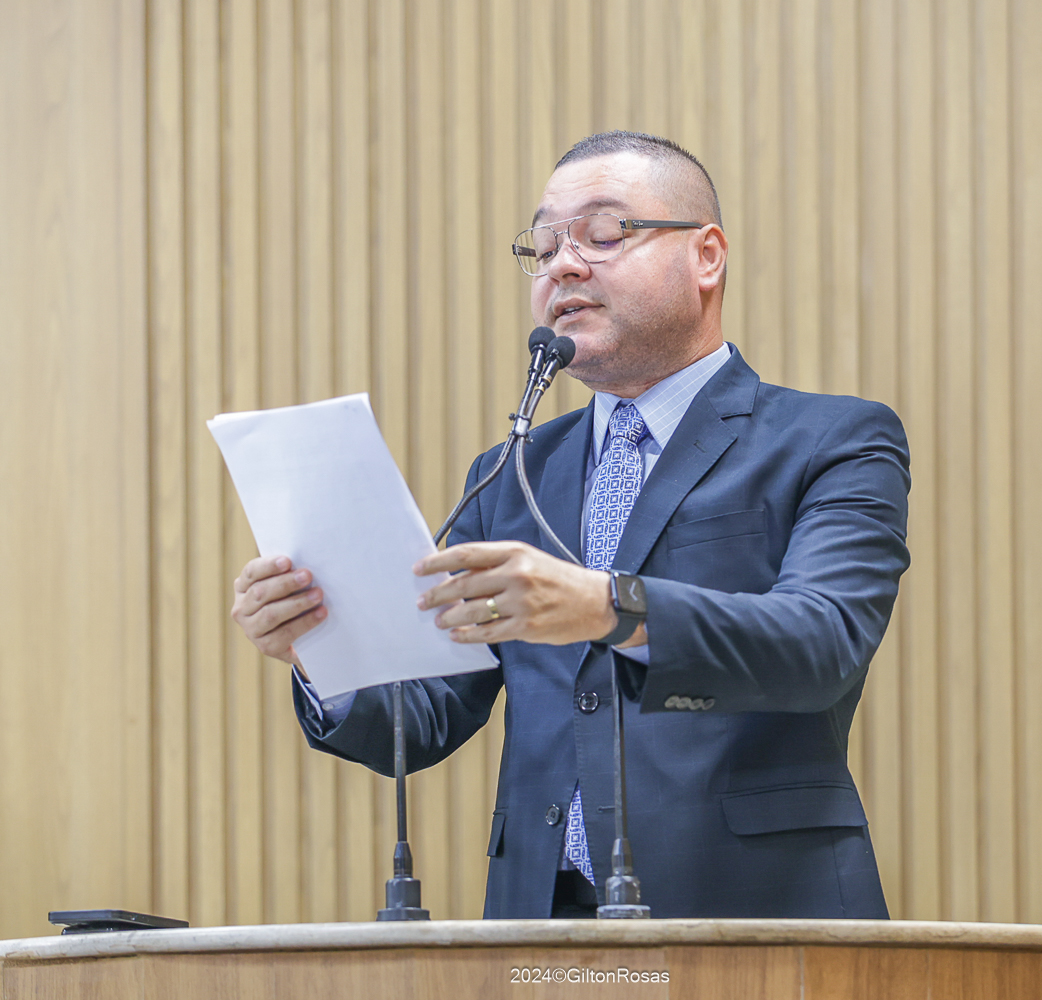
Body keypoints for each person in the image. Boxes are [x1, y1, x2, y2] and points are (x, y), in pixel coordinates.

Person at [230, 131, 910, 919]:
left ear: (707, 256)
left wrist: (608, 606)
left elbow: (821, 643)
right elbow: (426, 718)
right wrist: (319, 647)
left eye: (604, 232)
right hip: (542, 921)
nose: (563, 265)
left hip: (753, 912)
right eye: (545, 245)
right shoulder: (511, 473)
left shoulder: (832, 439)